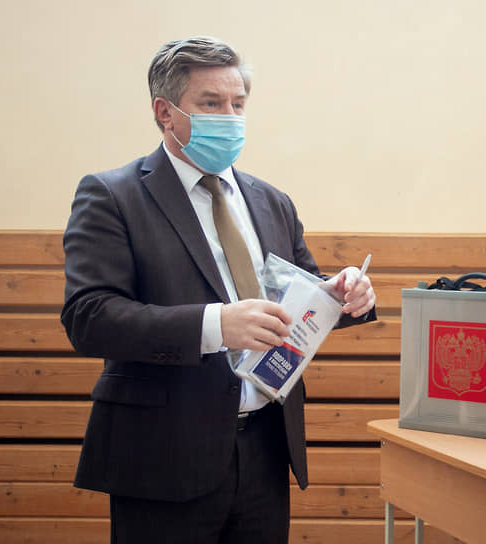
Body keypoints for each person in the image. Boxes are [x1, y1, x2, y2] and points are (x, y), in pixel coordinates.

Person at [61, 36, 376, 543]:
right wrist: (215, 324)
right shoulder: (112, 195)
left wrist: (344, 294)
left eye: (238, 104)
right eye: (211, 103)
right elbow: (89, 317)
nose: (229, 117)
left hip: (265, 450)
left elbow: (304, 291)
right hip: (164, 457)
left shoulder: (271, 200)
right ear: (165, 112)